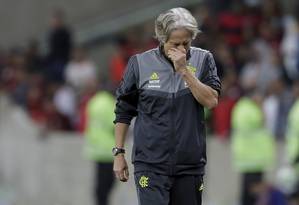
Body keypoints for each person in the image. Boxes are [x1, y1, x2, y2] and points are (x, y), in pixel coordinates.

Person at [113, 7, 221, 205]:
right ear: (162, 39)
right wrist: (119, 153)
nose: (181, 50)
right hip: (150, 164)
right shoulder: (139, 64)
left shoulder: (204, 59)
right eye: (175, 44)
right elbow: (123, 112)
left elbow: (211, 101)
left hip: (189, 166)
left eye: (186, 44)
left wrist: (185, 72)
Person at [231, 91, 275, 205]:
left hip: (249, 157)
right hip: (253, 158)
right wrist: (261, 107)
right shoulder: (250, 109)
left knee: (248, 190)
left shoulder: (241, 107)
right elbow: (261, 121)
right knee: (253, 191)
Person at [83, 88, 116, 205]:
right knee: (108, 182)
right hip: (108, 149)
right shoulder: (110, 103)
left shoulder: (93, 101)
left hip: (95, 147)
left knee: (100, 183)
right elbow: (115, 125)